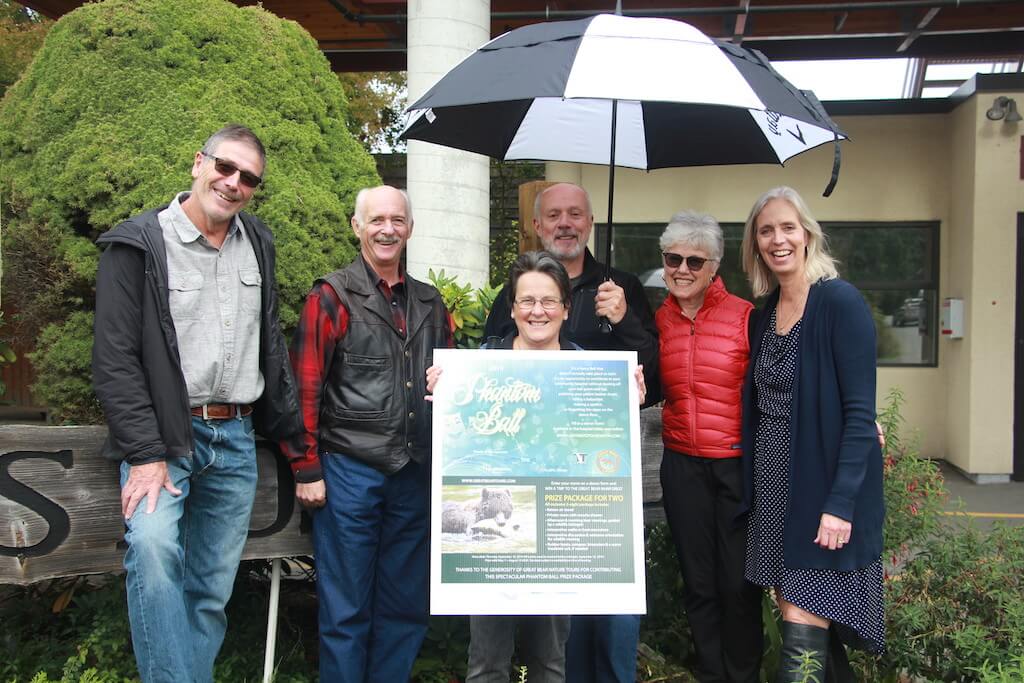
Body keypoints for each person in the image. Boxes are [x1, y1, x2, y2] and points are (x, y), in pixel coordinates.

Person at [92, 124, 303, 683]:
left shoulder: (257, 241)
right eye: (225, 167)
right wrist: (144, 453)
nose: (233, 183)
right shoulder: (137, 244)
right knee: (154, 552)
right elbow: (114, 360)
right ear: (197, 162)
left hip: (234, 440)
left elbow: (270, 342)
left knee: (210, 590)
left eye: (249, 178)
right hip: (162, 440)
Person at [430, 250, 646, 683]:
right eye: (527, 301)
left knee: (550, 664)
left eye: (549, 301)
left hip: (557, 537)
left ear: (567, 309)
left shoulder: (589, 367)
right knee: (486, 664)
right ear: (511, 308)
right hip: (490, 545)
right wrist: (444, 393)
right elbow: (456, 439)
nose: (537, 311)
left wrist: (625, 403)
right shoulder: (479, 365)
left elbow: (606, 452)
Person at [483, 182, 658, 683]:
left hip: (586, 488)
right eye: (554, 214)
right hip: (519, 483)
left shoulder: (619, 287)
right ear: (538, 226)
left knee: (579, 633)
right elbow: (486, 362)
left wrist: (623, 323)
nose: (565, 222)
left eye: (575, 213)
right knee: (511, 647)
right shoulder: (516, 290)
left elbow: (651, 374)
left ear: (589, 223)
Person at [282, 185, 453, 683]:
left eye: (397, 220)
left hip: (414, 473)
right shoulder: (332, 295)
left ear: (410, 228)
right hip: (349, 472)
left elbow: (447, 382)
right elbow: (305, 388)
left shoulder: (430, 301)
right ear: (356, 227)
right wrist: (306, 466)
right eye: (376, 220)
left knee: (405, 608)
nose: (388, 229)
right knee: (346, 610)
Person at [739, 186, 885, 681]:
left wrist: (840, 504)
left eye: (787, 227)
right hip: (776, 490)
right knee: (796, 612)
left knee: (803, 613)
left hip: (822, 490)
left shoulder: (839, 302)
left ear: (806, 235)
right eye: (766, 231)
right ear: (755, 244)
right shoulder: (764, 316)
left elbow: (859, 412)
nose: (777, 239)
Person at [655, 211, 764, 682]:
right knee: (698, 584)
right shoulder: (657, 319)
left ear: (714, 267)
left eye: (694, 261)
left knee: (738, 585)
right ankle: (711, 674)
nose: (682, 269)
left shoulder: (746, 317)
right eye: (672, 258)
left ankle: (742, 675)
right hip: (682, 465)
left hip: (736, 467)